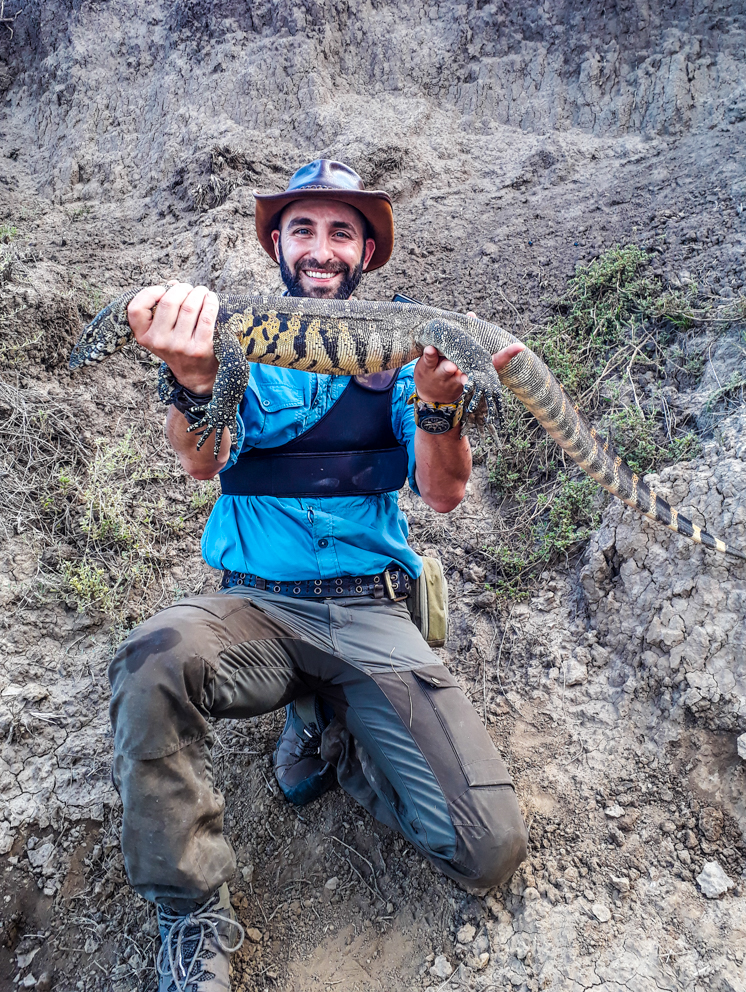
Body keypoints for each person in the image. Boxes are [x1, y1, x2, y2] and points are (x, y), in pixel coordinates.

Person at [109, 160, 528, 991]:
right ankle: (190, 915)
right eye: (303, 229)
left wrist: (440, 407)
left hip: (368, 609)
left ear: (367, 251)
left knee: (488, 846)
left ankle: (333, 730)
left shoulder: (406, 343)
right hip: (256, 607)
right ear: (278, 244)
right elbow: (203, 463)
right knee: (151, 660)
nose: (322, 249)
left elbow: (443, 494)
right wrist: (192, 381)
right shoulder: (232, 337)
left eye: (342, 231)